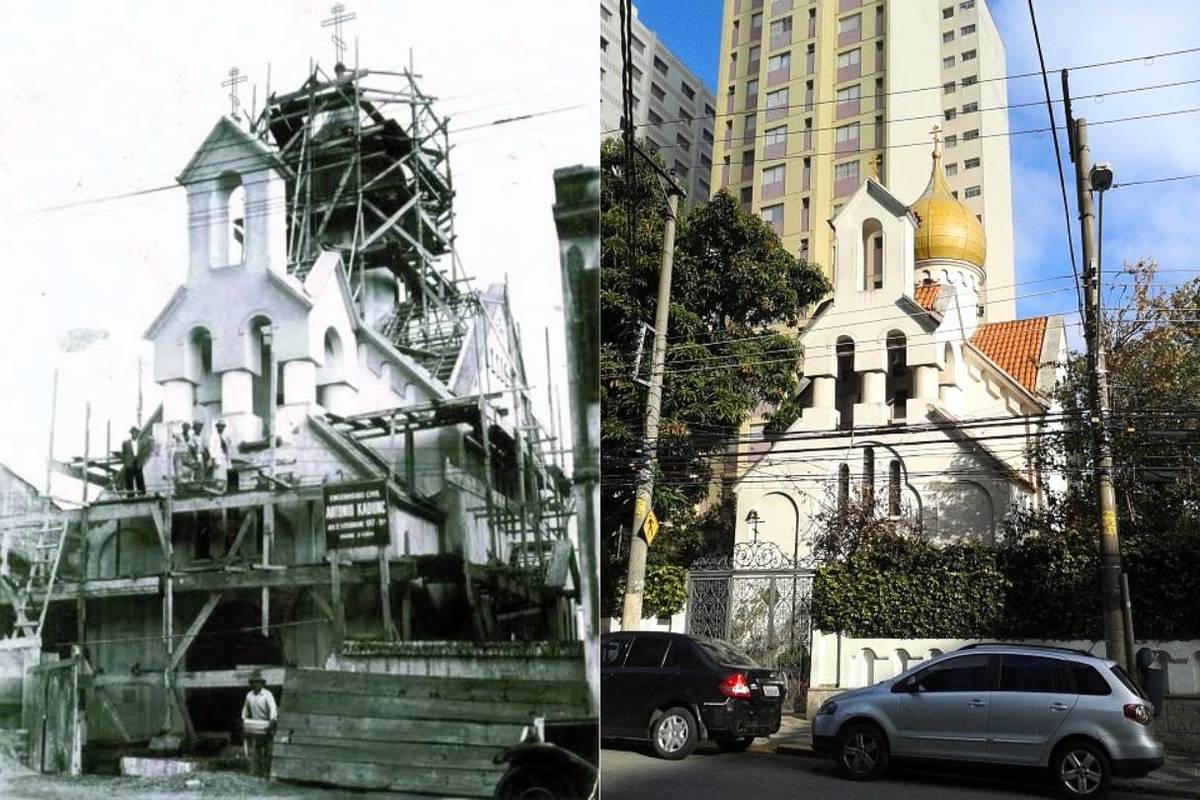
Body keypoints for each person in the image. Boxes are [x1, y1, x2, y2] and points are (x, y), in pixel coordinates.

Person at [241, 669, 278, 777]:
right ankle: (256, 772)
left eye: (258, 682)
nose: (256, 685)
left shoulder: (267, 695)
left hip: (268, 725)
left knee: (269, 751)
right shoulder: (249, 696)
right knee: (256, 750)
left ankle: (268, 773)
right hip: (257, 727)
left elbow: (273, 710)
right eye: (254, 682)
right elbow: (245, 711)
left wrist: (272, 722)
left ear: (262, 684)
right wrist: (244, 722)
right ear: (251, 684)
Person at [120, 426, 147, 495]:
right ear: (131, 434)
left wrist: (141, 462)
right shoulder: (125, 443)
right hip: (129, 463)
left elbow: (143, 453)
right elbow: (123, 453)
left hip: (138, 462)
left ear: (138, 434)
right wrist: (126, 462)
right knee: (129, 479)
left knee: (140, 478)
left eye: (136, 433)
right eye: (133, 433)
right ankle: (130, 495)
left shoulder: (141, 443)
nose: (134, 434)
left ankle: (141, 494)